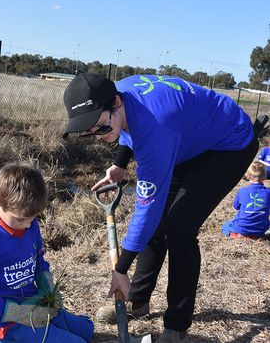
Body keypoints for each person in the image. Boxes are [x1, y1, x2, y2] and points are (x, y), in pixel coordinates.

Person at [62, 73, 259, 343]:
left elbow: (147, 209)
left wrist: (120, 270)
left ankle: (176, 327)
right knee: (158, 227)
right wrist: (120, 163)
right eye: (90, 132)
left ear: (116, 103)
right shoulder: (117, 96)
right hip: (187, 138)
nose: (97, 137)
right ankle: (138, 303)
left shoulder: (156, 128)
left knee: (179, 228)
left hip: (228, 144)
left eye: (101, 129)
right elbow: (128, 128)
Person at [0, 162, 94, 343]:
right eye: (20, 219)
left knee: (87, 331)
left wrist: (47, 288)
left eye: (34, 217)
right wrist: (18, 313)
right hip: (7, 324)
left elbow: (39, 260)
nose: (28, 225)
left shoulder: (30, 223)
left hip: (36, 305)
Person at [221, 161, 270, 239]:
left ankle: (234, 235)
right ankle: (254, 235)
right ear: (264, 177)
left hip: (242, 227)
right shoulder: (268, 192)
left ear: (248, 176)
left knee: (225, 225)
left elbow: (236, 206)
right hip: (260, 229)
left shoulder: (242, 190)